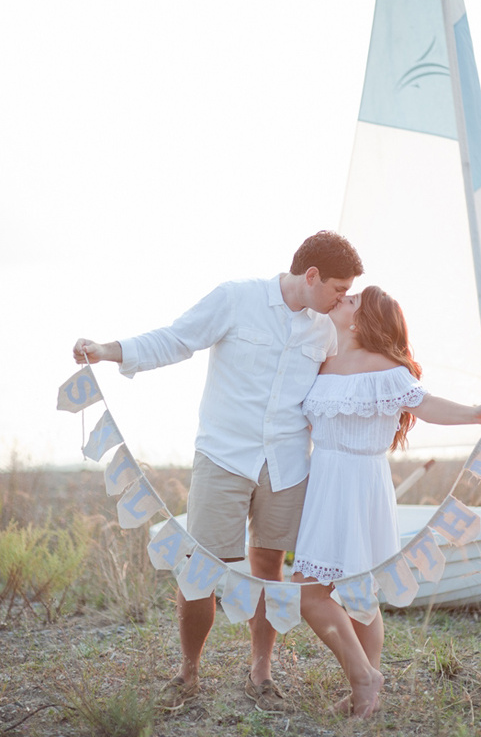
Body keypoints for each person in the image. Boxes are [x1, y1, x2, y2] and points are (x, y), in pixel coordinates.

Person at [72, 230, 363, 714]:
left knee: (269, 570)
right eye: (339, 287)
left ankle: (261, 670)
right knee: (199, 571)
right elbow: (177, 338)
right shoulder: (236, 298)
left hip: (288, 464)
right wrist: (108, 349)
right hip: (224, 456)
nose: (344, 298)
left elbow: (340, 384)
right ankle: (188, 670)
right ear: (311, 276)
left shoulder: (325, 328)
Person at [291, 285, 481, 719]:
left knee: (335, 595)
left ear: (362, 319)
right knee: (328, 594)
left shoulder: (387, 369)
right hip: (325, 482)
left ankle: (364, 680)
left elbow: (426, 405)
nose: (341, 301)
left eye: (351, 301)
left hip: (361, 482)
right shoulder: (320, 361)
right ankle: (365, 687)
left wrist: (474, 412)